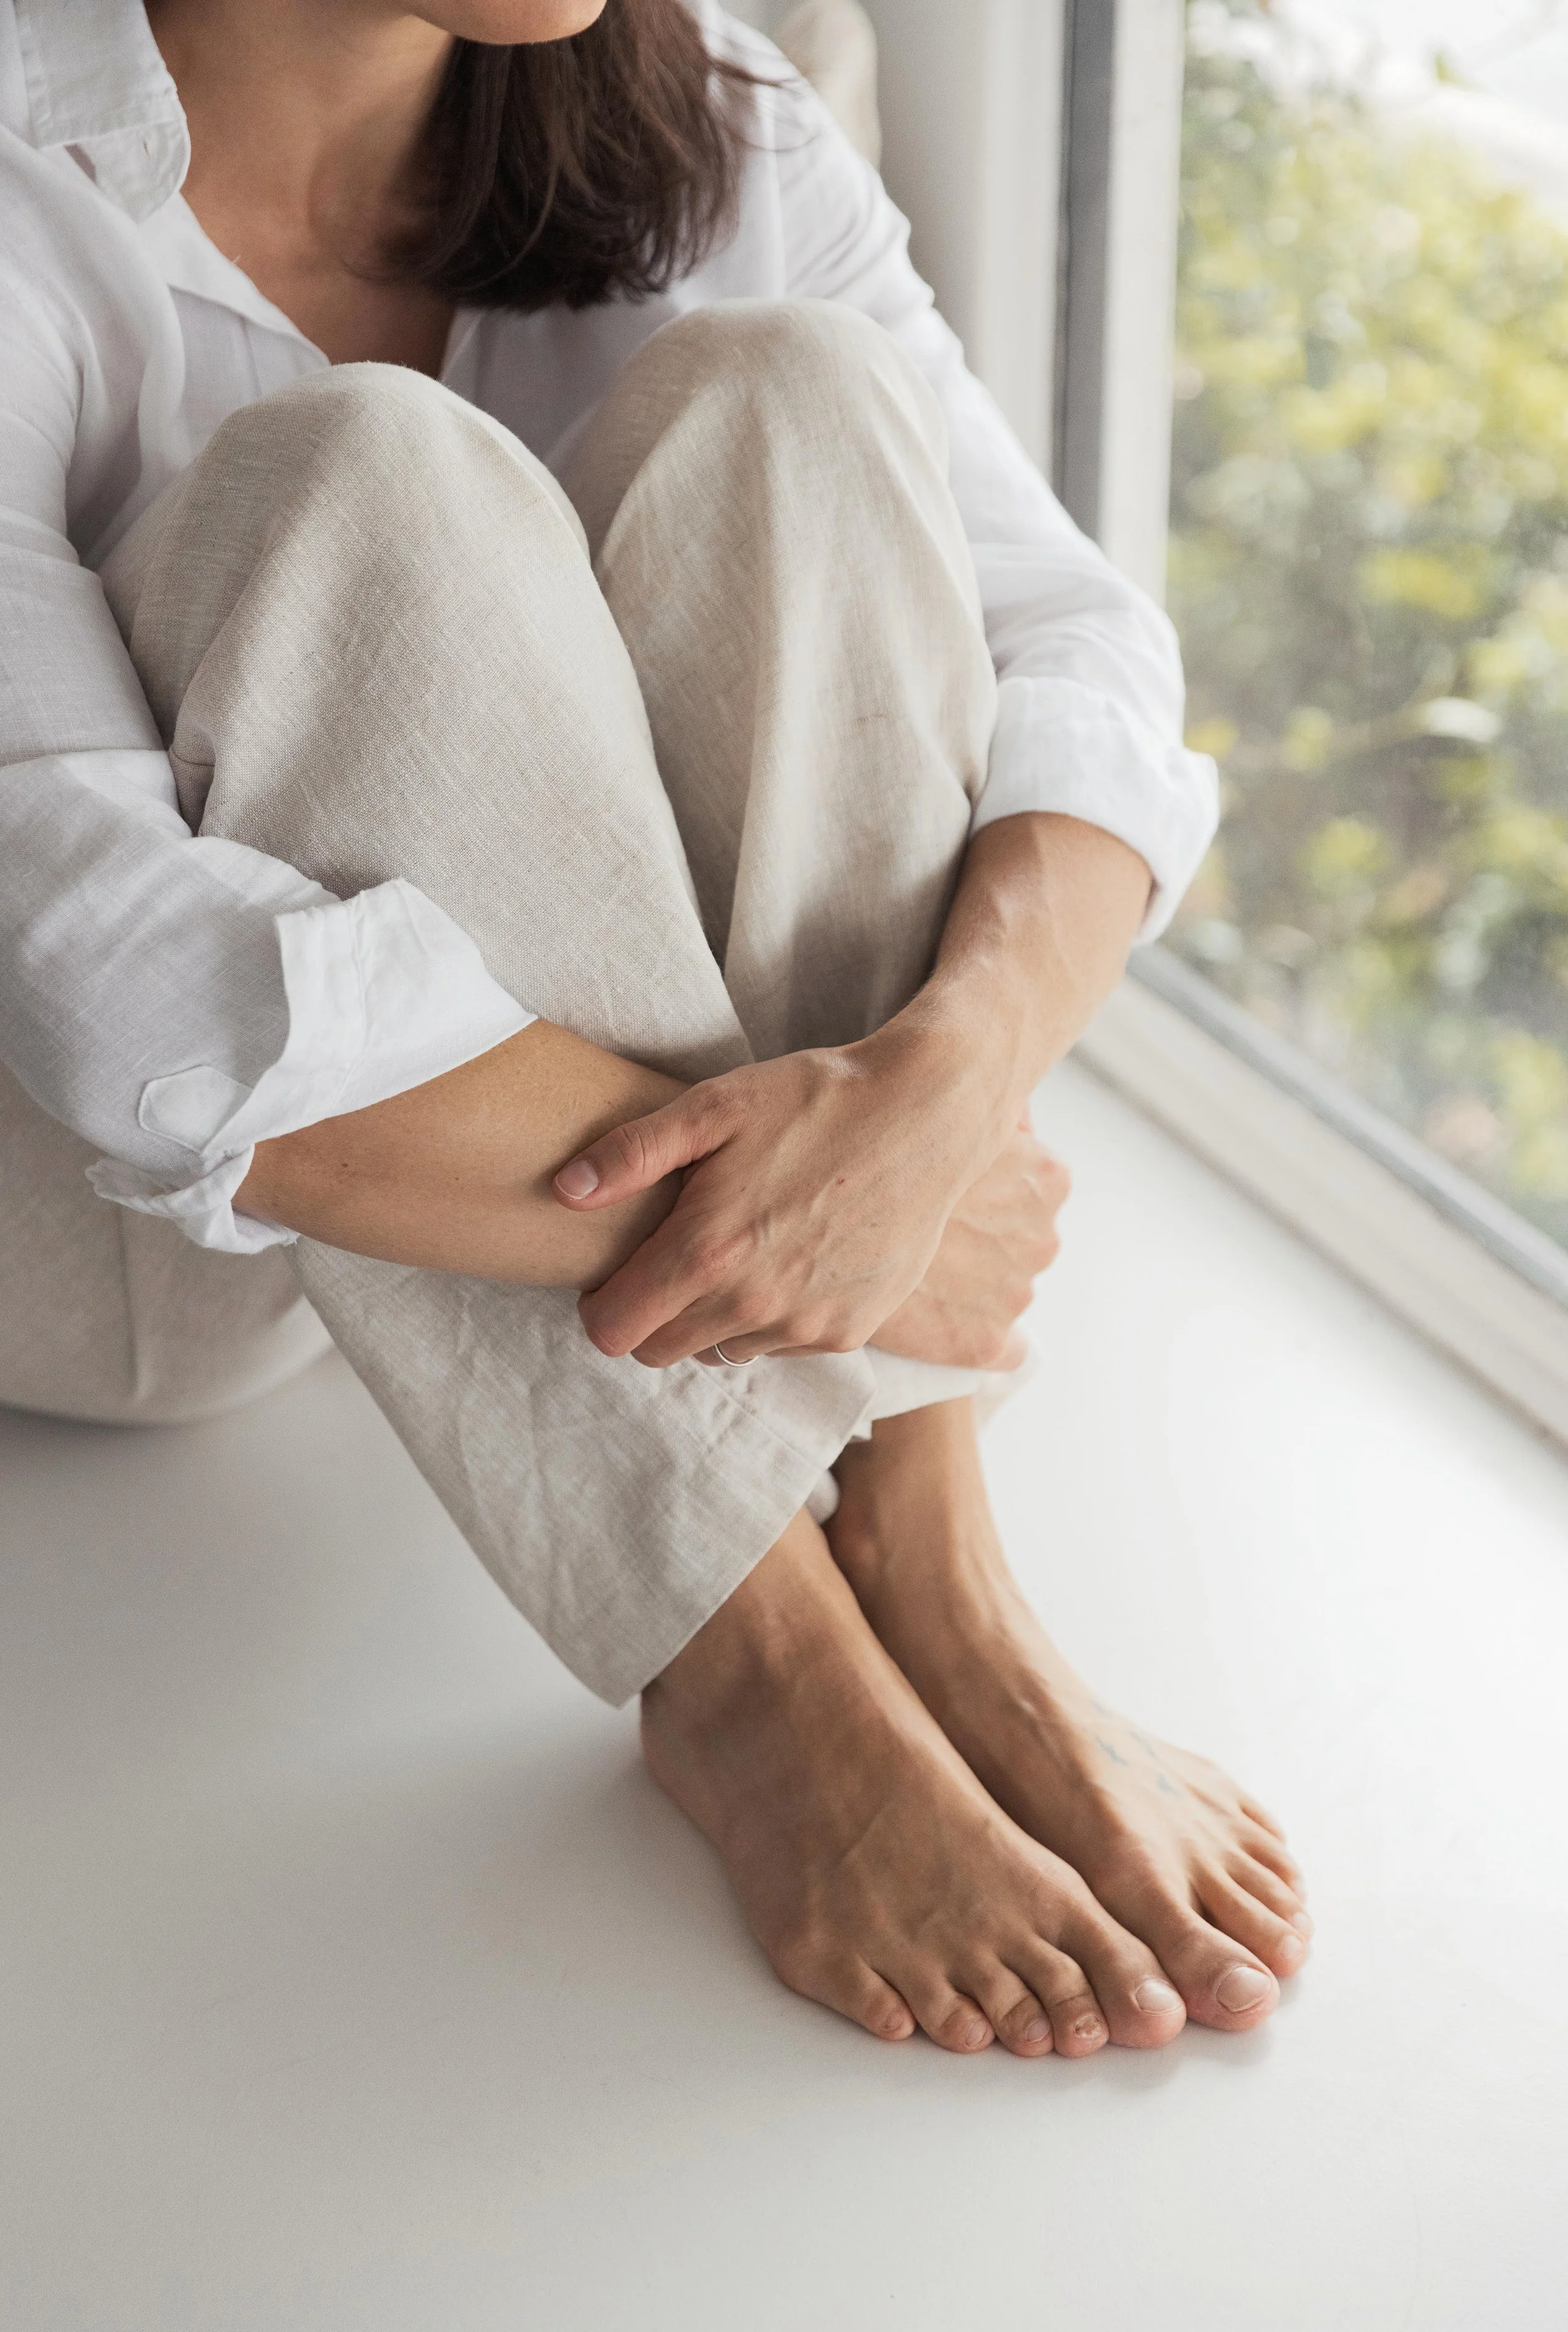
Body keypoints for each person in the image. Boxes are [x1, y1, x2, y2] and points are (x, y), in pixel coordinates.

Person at [0, 0, 1312, 2060]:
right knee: (362, 474)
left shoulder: (700, 90)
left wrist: (933, 1107)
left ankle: (928, 1552)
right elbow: (122, 994)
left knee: (800, 400)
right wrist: (832, 1219)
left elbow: (1074, 642)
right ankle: (746, 1658)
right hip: (145, 1241)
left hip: (609, 1212)